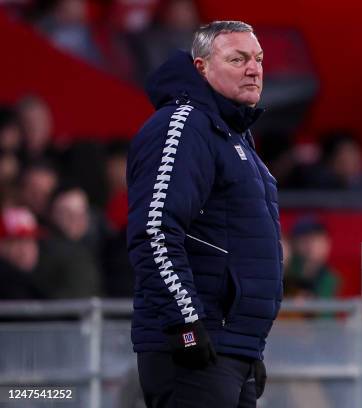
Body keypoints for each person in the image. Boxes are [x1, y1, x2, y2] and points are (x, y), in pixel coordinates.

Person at [127, 21, 283, 407]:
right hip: (196, 348)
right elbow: (155, 231)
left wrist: (250, 347)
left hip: (231, 348)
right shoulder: (184, 126)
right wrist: (186, 325)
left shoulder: (231, 133)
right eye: (238, 59)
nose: (254, 68)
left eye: (259, 59)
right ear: (202, 67)